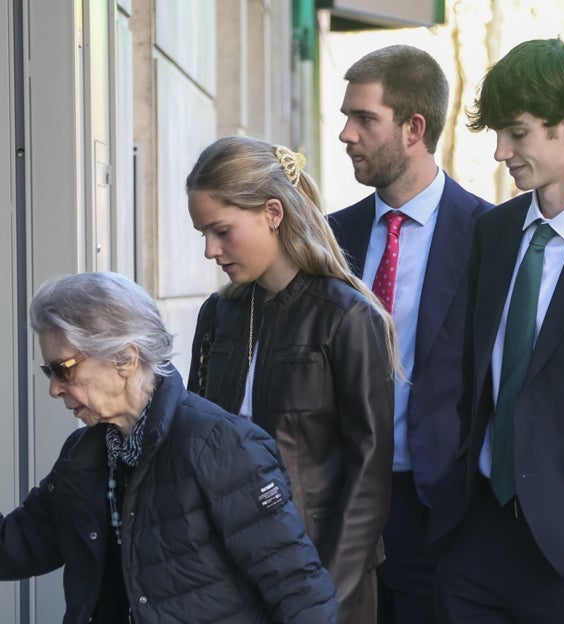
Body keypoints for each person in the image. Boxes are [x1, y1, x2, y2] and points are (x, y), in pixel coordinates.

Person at [0, 271, 338, 623]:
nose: (54, 388)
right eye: (48, 371)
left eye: (63, 369)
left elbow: (299, 592)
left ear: (125, 358)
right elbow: (14, 547)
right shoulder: (84, 454)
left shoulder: (219, 444)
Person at [430, 38, 564, 623]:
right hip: (478, 542)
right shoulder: (494, 233)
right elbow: (474, 384)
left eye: (517, 133)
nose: (500, 152)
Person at [186, 135, 395, 624]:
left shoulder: (346, 316)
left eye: (221, 231)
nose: (210, 251)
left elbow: (369, 475)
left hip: (322, 573)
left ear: (272, 213)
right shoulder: (219, 314)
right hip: (230, 574)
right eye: (203, 234)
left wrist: (325, 598)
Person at [329, 44, 491, 624]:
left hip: (436, 508)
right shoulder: (331, 237)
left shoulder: (486, 235)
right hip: (342, 497)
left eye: (364, 118)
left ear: (413, 128)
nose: (345, 133)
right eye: (345, 116)